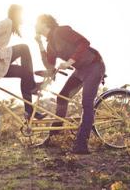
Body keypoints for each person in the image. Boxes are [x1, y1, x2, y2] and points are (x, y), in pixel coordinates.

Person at [35, 14, 105, 154]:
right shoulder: (50, 45)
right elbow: (50, 65)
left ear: (44, 23)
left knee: (87, 103)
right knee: (62, 97)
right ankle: (53, 138)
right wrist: (40, 45)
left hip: (93, 66)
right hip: (80, 70)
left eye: (36, 24)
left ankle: (81, 144)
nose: (35, 27)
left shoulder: (61, 31)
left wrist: (69, 62)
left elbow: (84, 42)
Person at [0, 4, 46, 119]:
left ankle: (29, 111)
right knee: (24, 48)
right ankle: (32, 85)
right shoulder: (7, 22)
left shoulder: (10, 26)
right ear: (16, 14)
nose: (23, 18)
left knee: (25, 73)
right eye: (21, 15)